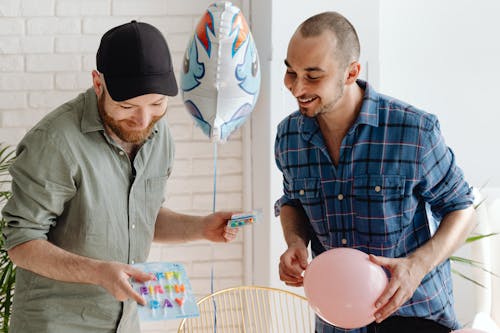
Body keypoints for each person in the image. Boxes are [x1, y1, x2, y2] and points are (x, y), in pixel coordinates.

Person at [1, 21, 238, 333]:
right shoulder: (55, 142)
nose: (142, 119)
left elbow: (139, 218)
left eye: (157, 104)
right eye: (127, 106)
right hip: (55, 324)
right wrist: (99, 272)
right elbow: (22, 243)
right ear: (98, 83)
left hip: (125, 323)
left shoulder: (158, 134)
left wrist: (200, 227)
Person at [275, 11, 476, 333]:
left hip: (413, 315)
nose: (297, 88)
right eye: (290, 72)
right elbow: (293, 201)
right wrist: (295, 242)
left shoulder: (414, 130)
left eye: (313, 76)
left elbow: (462, 209)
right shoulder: (289, 136)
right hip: (336, 319)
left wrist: (416, 266)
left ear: (351, 72)